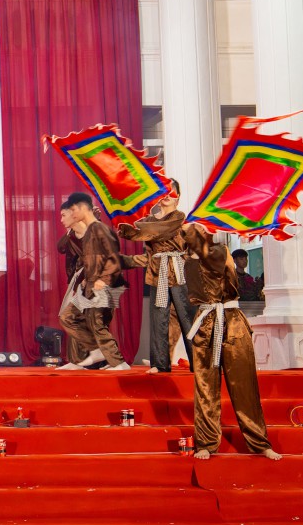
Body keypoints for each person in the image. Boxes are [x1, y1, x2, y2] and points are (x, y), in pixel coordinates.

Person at [178, 221, 281, 460]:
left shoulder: (220, 252)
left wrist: (190, 229)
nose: (197, 230)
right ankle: (206, 443)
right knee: (205, 389)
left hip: (231, 323)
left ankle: (259, 443)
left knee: (244, 386)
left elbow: (208, 258)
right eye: (193, 227)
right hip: (205, 324)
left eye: (199, 226)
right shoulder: (187, 260)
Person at [116, 181, 194, 374]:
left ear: (178, 197)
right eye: (163, 192)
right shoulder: (148, 221)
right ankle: (160, 364)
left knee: (188, 318)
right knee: (159, 318)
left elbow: (159, 231)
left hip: (179, 272)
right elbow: (149, 251)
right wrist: (124, 259)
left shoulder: (178, 218)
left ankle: (199, 361)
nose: (167, 196)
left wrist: (134, 232)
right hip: (158, 272)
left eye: (171, 192)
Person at [56, 192, 130, 371]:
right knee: (71, 318)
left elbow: (113, 259)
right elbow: (61, 248)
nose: (62, 219)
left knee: (95, 321)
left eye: (66, 214)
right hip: (86, 282)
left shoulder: (96, 230)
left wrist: (102, 280)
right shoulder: (75, 234)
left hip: (103, 283)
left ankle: (116, 360)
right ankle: (85, 357)